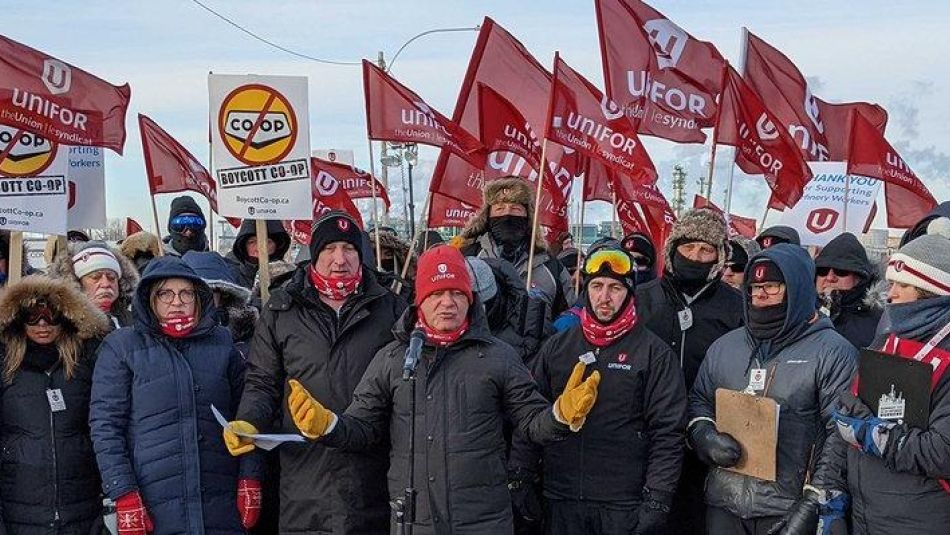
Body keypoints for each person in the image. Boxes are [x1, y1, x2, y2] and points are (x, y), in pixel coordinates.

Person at [271, 244, 599, 534]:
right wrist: (328, 425)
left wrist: (560, 415)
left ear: (470, 301)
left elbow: (531, 421)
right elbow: (362, 428)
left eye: (457, 294)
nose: (447, 303)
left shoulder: (498, 356)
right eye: (436, 294)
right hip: (414, 521)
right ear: (420, 302)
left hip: (482, 521)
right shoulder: (393, 358)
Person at [226, 211, 406, 534]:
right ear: (314, 254)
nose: (340, 259)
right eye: (329, 249)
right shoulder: (283, 309)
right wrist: (248, 421)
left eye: (349, 249)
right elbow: (262, 383)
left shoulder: (390, 308)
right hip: (305, 485)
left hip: (371, 482)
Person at [510, 247, 687, 535]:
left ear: (630, 292)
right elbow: (529, 413)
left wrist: (658, 497)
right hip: (561, 497)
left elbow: (667, 431)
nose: (604, 297)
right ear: (586, 290)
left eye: (615, 287)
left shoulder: (653, 353)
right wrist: (520, 474)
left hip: (622, 503)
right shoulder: (558, 347)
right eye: (597, 286)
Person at [689, 244, 857, 534]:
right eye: (754, 287)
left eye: (772, 286)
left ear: (797, 289)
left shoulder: (833, 352)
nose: (760, 295)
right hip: (725, 503)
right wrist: (703, 433)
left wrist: (813, 502)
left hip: (787, 507)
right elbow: (700, 400)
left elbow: (841, 434)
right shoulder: (725, 346)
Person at [90, 256, 260, 534]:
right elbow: (106, 427)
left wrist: (250, 476)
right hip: (153, 502)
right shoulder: (122, 347)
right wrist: (123, 491)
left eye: (186, 293)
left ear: (199, 297)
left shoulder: (222, 342)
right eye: (165, 294)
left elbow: (248, 414)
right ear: (150, 300)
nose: (177, 301)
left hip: (219, 501)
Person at [634, 208, 744, 535]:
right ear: (672, 249)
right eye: (688, 247)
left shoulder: (735, 305)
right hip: (646, 433)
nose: (695, 256)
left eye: (706, 249)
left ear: (718, 257)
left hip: (710, 436)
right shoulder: (642, 298)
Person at [831, 234, 950, 534]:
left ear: (931, 290)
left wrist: (878, 435)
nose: (890, 293)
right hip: (865, 514)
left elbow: (943, 451)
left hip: (921, 520)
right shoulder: (889, 338)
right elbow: (849, 409)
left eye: (902, 284)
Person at [0, 276, 110, 534]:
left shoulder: (88, 361)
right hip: (19, 506)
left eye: (51, 316)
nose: (42, 325)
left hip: (82, 506)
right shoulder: (4, 366)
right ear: (17, 319)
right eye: (32, 316)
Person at [455, 177, 575, 316]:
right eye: (499, 208)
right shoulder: (466, 259)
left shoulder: (551, 267)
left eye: (515, 208)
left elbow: (568, 317)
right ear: (487, 216)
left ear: (528, 217)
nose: (507, 214)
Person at [182, 251, 258, 359]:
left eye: (208, 291)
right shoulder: (165, 336)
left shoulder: (246, 336)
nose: (201, 298)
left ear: (223, 294)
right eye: (192, 292)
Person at [814, 232, 885, 348]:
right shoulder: (801, 313)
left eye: (841, 271)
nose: (830, 277)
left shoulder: (881, 322)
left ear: (860, 278)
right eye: (822, 270)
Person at [47, 240, 139, 330]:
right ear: (77, 282)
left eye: (111, 277)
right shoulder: (65, 326)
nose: (106, 284)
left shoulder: (136, 321)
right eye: (96, 277)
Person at [226, 219, 291, 290]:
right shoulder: (228, 276)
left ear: (277, 246)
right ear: (243, 246)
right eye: (252, 242)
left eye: (267, 242)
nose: (259, 248)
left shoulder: (289, 277)